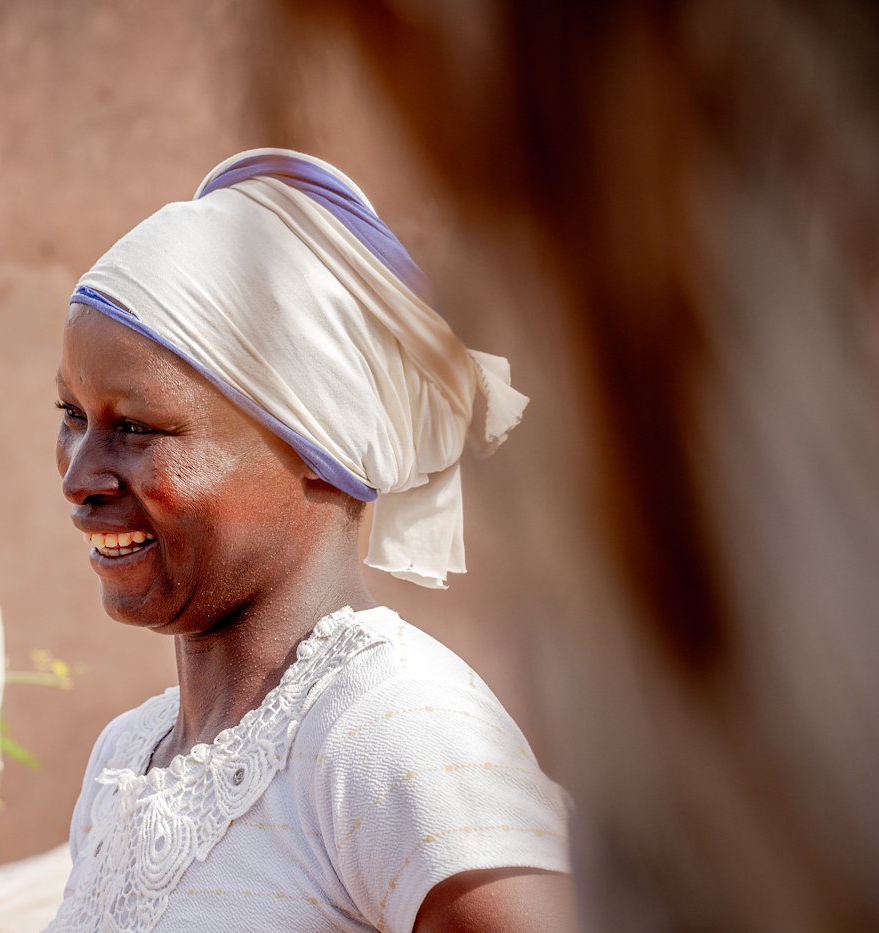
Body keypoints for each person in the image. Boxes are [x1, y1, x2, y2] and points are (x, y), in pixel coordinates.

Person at [44, 149, 575, 933]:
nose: (79, 475)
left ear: (319, 454)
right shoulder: (127, 757)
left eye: (137, 428)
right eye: (70, 416)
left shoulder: (392, 727)